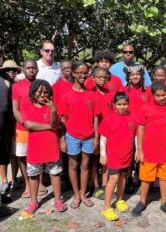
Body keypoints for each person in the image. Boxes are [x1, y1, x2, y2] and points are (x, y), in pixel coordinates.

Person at [132, 81, 166, 218]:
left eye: (164, 94)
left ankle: (164, 203)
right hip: (148, 151)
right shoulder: (145, 108)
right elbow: (140, 129)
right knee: (146, 178)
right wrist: (140, 150)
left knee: (164, 178)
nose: (162, 98)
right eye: (158, 95)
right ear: (152, 95)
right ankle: (142, 202)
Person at [20, 80, 67, 217]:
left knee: (55, 174)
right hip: (35, 148)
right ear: (33, 92)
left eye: (45, 92)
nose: (42, 94)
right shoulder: (27, 106)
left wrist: (53, 110)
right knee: (33, 175)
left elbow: (55, 123)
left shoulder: (52, 107)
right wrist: (49, 127)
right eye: (39, 91)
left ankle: (58, 200)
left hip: (51, 147)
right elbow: (29, 125)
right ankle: (33, 202)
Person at [59, 61, 101, 209]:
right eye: (79, 72)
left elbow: (96, 118)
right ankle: (76, 194)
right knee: (73, 165)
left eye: (85, 72)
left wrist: (96, 138)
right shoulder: (66, 95)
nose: (83, 75)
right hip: (72, 136)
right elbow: (62, 120)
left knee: (85, 165)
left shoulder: (92, 95)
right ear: (74, 73)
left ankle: (83, 194)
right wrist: (62, 139)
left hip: (89, 136)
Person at [99, 92, 137, 221]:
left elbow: (136, 135)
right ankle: (106, 207)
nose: (122, 107)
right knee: (113, 178)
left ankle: (120, 199)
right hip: (113, 154)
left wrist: (137, 150)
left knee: (123, 176)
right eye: (119, 104)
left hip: (127, 153)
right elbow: (103, 138)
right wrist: (103, 154)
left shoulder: (133, 117)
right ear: (114, 105)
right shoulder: (109, 119)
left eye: (125, 104)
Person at [12, 60, 47, 198]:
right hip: (22, 127)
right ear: (23, 70)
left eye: (33, 68)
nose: (31, 70)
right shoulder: (17, 86)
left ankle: (40, 183)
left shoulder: (42, 85)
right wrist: (23, 122)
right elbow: (15, 108)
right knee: (23, 156)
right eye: (28, 68)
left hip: (38, 127)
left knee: (39, 155)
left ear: (37, 70)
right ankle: (27, 184)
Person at [90, 67, 114, 200]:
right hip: (95, 131)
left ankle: (105, 185)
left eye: (105, 77)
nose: (102, 79)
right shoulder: (90, 94)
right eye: (99, 77)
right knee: (94, 159)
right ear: (93, 78)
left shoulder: (110, 94)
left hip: (108, 132)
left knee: (105, 159)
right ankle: (96, 186)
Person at [0, 60, 21, 193]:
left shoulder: (19, 85)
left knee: (15, 153)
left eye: (13, 70)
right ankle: (4, 180)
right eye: (8, 70)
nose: (11, 72)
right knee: (3, 152)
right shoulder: (2, 83)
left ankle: (14, 178)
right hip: (3, 124)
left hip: (17, 124)